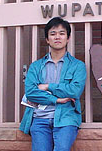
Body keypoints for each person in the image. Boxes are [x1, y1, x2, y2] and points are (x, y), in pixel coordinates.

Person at [19, 17, 87, 151]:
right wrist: (57, 99)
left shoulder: (78, 66)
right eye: (53, 33)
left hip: (66, 118)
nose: (57, 37)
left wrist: (48, 86)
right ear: (47, 39)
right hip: (39, 119)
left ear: (68, 38)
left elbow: (74, 91)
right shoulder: (36, 66)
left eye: (62, 33)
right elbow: (31, 93)